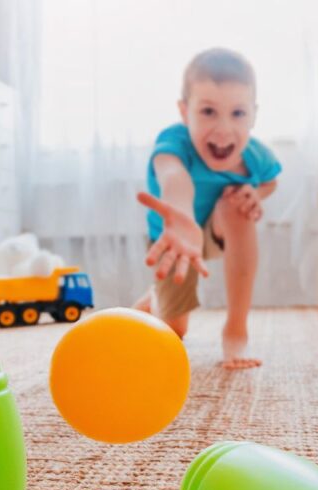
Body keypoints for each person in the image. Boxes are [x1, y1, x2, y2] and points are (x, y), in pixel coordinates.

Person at [135, 47, 281, 369]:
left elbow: (271, 181)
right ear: (184, 111)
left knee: (237, 204)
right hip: (175, 239)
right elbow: (174, 177)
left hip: (217, 228)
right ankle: (150, 304)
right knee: (173, 331)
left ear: (253, 115)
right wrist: (182, 218)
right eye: (208, 112)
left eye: (238, 114)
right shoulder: (173, 142)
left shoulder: (256, 156)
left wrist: (255, 193)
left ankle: (236, 330)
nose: (224, 129)